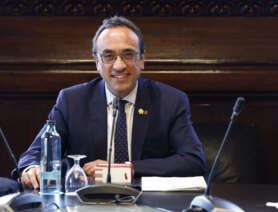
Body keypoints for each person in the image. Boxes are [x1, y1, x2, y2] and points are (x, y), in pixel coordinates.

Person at [16, 16, 206, 189]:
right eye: (108, 56)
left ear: (142, 60)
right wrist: (30, 169)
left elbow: (193, 161)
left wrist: (121, 171)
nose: (119, 65)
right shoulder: (72, 101)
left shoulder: (170, 101)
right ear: (97, 62)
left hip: (149, 203)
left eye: (128, 54)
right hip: (88, 204)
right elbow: (34, 154)